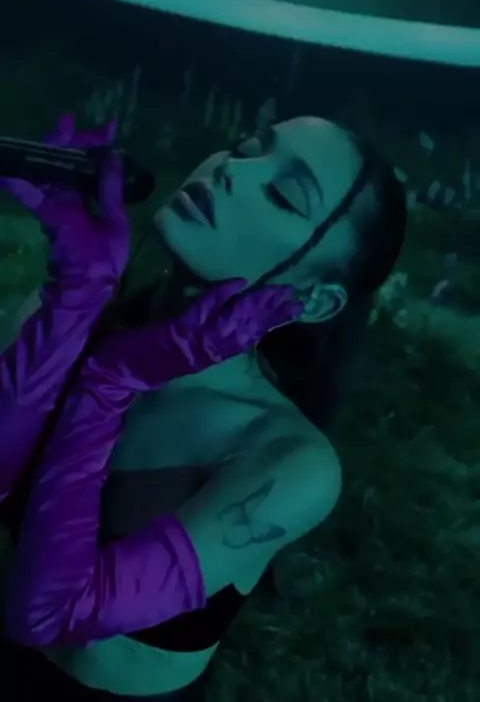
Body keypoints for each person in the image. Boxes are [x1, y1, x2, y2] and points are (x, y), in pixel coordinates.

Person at [0, 115, 406, 699]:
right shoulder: (68, 318)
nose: (231, 172)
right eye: (244, 149)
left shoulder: (288, 460)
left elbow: (48, 615)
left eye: (284, 196)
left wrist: (110, 381)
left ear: (315, 300)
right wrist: (76, 294)